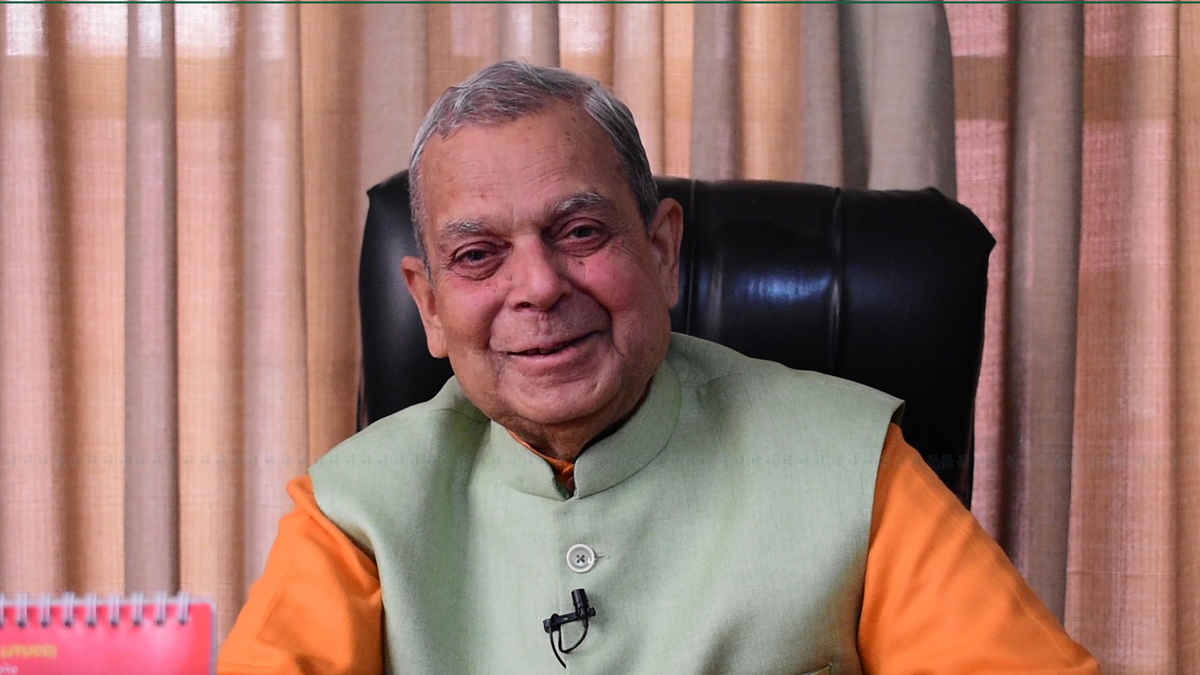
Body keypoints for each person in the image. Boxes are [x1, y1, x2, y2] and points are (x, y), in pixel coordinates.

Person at [218, 61, 1101, 675]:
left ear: (663, 251)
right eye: (479, 255)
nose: (539, 287)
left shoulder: (853, 466)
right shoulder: (353, 513)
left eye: (580, 232)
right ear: (429, 306)